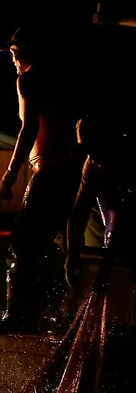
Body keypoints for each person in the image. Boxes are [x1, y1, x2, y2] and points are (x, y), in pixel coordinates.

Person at [0, 26, 84, 334]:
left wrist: (9, 174)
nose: (13, 60)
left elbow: (28, 130)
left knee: (23, 242)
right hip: (71, 172)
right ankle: (53, 314)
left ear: (31, 52)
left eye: (15, 53)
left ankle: (19, 317)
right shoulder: (66, 80)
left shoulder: (28, 80)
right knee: (53, 244)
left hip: (49, 171)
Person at [66, 114, 133, 286]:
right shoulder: (92, 164)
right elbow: (78, 212)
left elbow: (125, 218)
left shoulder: (127, 160)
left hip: (127, 197)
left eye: (95, 150)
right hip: (114, 190)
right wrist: (71, 257)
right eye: (88, 151)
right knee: (112, 238)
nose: (93, 156)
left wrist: (107, 267)